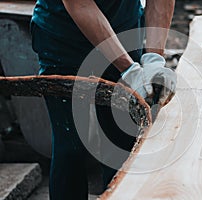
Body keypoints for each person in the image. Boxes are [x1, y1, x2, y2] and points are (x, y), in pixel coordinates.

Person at [30, 0, 177, 199]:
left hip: (124, 29)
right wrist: (129, 70)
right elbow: (79, 4)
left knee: (122, 145)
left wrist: (154, 59)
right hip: (64, 39)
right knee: (70, 148)